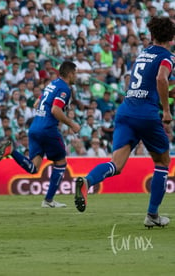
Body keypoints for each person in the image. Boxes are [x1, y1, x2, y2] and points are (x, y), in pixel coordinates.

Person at [74, 16, 175, 229]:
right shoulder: (167, 57)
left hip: (126, 111)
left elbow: (142, 82)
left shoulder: (143, 54)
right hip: (146, 114)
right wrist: (166, 110)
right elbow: (160, 79)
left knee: (116, 164)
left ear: (152, 35)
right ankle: (152, 215)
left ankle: (88, 182)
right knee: (162, 162)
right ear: (172, 37)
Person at [0, 61, 80, 208]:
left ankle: (12, 151)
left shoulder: (52, 84)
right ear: (70, 73)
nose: (76, 76)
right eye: (76, 73)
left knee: (34, 168)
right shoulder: (64, 88)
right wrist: (72, 124)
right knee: (60, 163)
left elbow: (37, 103)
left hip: (35, 127)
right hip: (48, 129)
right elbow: (55, 110)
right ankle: (48, 201)